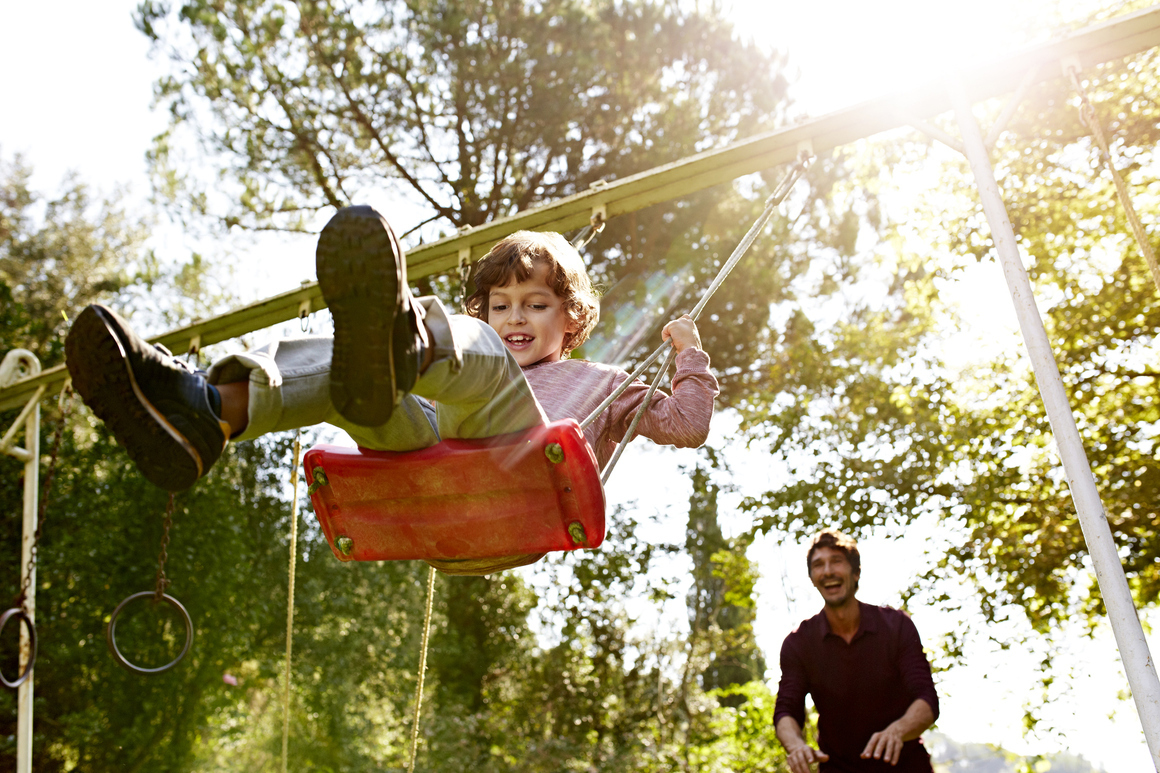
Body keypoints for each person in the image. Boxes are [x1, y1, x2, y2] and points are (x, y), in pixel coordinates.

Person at [64, 205, 718, 571]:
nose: (515, 317)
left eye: (536, 304)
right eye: (501, 304)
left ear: (572, 319)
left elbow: (685, 424)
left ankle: (402, 343)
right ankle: (209, 411)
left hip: (520, 497)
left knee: (475, 360)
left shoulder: (601, 382)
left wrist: (689, 355)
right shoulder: (471, 360)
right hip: (435, 492)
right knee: (345, 371)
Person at [773, 530, 939, 772]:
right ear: (812, 578)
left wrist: (897, 731)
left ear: (856, 572)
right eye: (819, 565)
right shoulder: (799, 644)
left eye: (836, 561)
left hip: (906, 766)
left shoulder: (896, 626)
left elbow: (926, 699)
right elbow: (787, 709)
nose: (828, 571)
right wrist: (797, 746)